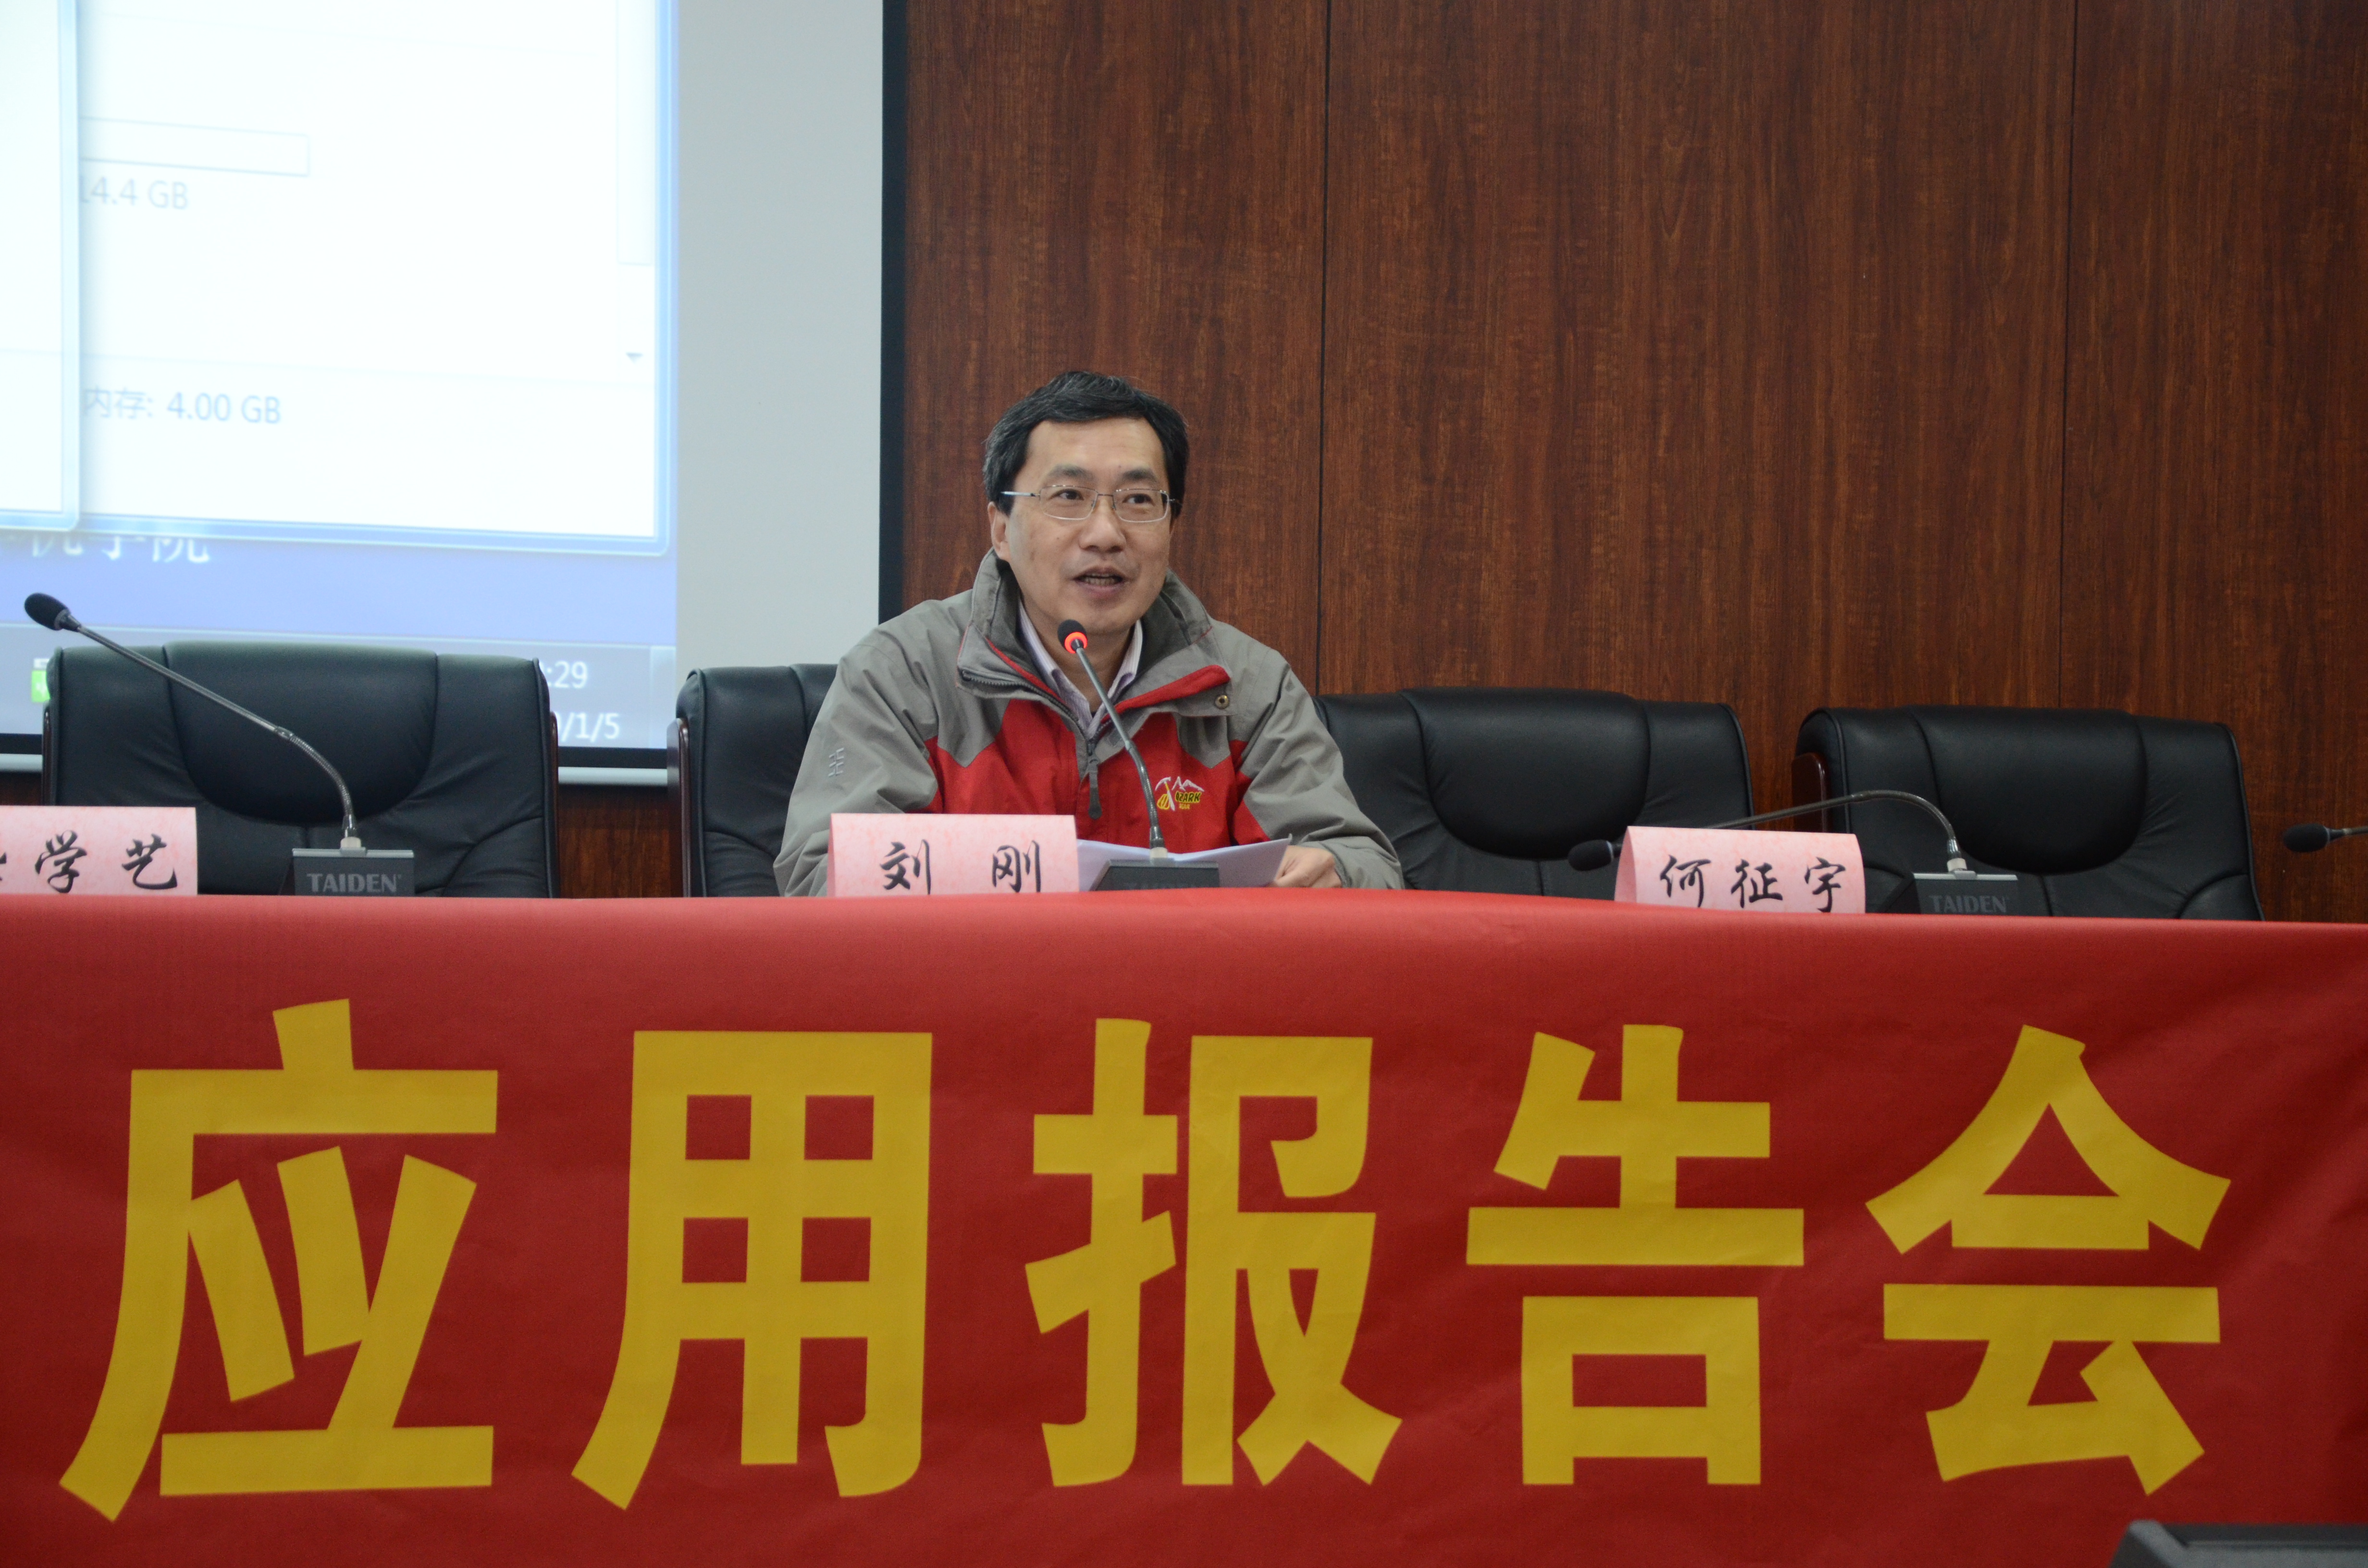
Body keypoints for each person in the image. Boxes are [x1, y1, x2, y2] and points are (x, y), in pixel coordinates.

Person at [774, 370, 1402, 894]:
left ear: (1171, 526)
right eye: (1069, 496)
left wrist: (1334, 873)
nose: (1105, 534)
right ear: (1001, 529)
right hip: (979, 997)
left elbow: (1364, 864)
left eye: (1138, 501)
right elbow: (824, 874)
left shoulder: (1244, 684)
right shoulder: (904, 673)